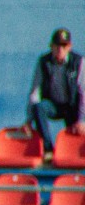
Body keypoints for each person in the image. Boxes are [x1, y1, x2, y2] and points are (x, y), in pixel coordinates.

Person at [26, 28, 85, 159]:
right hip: (53, 105)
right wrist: (28, 120)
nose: (60, 49)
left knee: (76, 138)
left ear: (69, 47)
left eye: (64, 46)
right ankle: (48, 150)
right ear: (51, 46)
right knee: (39, 106)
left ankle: (75, 157)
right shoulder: (43, 62)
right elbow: (34, 92)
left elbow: (83, 93)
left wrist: (82, 120)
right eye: (57, 45)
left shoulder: (79, 62)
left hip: (72, 106)